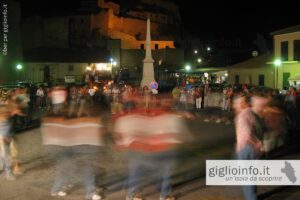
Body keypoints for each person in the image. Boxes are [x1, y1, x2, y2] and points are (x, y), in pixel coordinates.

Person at [113, 95, 190, 200]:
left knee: (136, 172)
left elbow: (119, 140)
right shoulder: (165, 117)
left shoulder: (124, 119)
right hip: (160, 149)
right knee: (163, 173)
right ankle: (164, 195)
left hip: (138, 150)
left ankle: (132, 194)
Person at [233, 95, 264, 200]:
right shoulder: (253, 113)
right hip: (255, 149)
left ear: (243, 104)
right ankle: (253, 196)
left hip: (245, 148)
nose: (235, 106)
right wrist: (259, 144)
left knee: (246, 178)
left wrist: (249, 143)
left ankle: (251, 198)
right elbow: (261, 129)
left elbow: (246, 134)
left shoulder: (242, 115)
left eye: (237, 103)